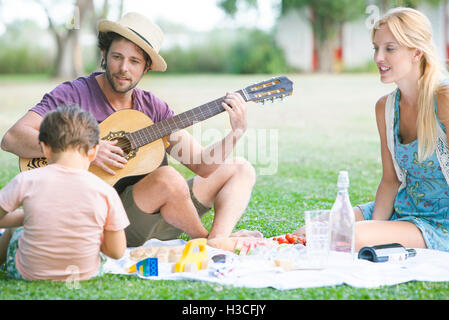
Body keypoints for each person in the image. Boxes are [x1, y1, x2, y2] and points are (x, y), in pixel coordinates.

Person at [1, 12, 260, 248]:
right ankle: (204, 240)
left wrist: (234, 133)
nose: (124, 68)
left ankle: (217, 238)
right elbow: (13, 138)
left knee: (240, 168)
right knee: (168, 178)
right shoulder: (74, 94)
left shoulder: (153, 109)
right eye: (117, 57)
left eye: (134, 61)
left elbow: (203, 165)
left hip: (163, 215)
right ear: (104, 55)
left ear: (146, 68)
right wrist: (85, 149)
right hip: (106, 222)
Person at [295, 7, 449, 252]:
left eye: (390, 48)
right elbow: (390, 180)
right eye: (376, 48)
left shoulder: (443, 97)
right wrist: (378, 227)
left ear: (416, 52)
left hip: (440, 223)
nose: (378, 57)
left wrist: (369, 234)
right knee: (313, 230)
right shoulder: (385, 107)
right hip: (404, 206)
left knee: (346, 237)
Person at [0, 105, 130, 281]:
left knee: (14, 230)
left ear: (45, 148)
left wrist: (21, 219)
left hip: (28, 273)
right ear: (93, 151)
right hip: (86, 274)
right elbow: (116, 252)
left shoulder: (26, 180)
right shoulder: (106, 192)